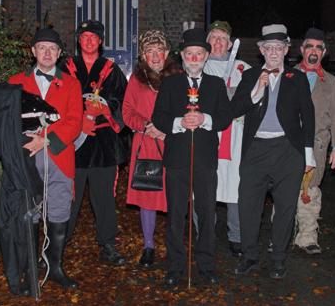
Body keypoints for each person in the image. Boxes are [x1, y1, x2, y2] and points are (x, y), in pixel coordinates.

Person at [231, 24, 315, 279]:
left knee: (286, 207)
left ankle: (278, 258)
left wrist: (307, 155)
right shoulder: (249, 76)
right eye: (269, 47)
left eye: (279, 47)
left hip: (288, 150)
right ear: (261, 50)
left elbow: (308, 117)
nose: (274, 52)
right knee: (248, 205)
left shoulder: (297, 78)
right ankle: (249, 257)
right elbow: (235, 109)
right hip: (256, 149)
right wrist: (256, 91)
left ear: (287, 50)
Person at [152, 28, 232, 286]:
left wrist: (205, 119)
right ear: (182, 56)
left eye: (199, 54)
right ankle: (175, 267)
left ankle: (207, 265)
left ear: (206, 56)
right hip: (176, 159)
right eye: (190, 54)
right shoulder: (170, 83)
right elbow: (159, 117)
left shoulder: (216, 85)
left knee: (207, 213)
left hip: (206, 160)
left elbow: (224, 117)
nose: (195, 58)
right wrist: (179, 122)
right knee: (176, 215)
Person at [8, 28, 83, 290]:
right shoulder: (15, 82)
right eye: (42, 47)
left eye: (52, 48)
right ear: (33, 51)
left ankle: (55, 266)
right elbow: (8, 121)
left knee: (59, 209)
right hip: (27, 158)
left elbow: (75, 122)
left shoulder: (72, 84)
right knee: (30, 213)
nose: (47, 53)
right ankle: (30, 269)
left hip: (59, 157)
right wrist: (29, 140)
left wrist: (47, 139)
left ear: (60, 53)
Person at [63, 20, 128, 266]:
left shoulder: (112, 69)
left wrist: (103, 109)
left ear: (101, 41)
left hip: (103, 144)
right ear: (78, 40)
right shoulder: (66, 66)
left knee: (104, 198)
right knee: (68, 196)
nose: (89, 40)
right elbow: (56, 101)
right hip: (73, 142)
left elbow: (123, 100)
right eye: (84, 36)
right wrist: (80, 119)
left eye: (93, 37)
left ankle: (108, 244)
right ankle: (59, 242)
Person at [122, 30, 181, 268]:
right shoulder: (137, 80)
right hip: (146, 142)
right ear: (143, 56)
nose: (155, 56)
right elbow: (127, 111)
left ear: (166, 53)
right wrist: (146, 125)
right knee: (148, 194)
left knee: (174, 194)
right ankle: (148, 245)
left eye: (159, 51)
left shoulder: (178, 77)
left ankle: (174, 245)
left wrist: (169, 128)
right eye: (150, 51)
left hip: (173, 141)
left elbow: (187, 106)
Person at [294, 27, 335, 254]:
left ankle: (307, 237)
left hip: (318, 144)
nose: (313, 51)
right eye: (309, 46)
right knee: (285, 188)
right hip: (289, 142)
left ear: (324, 52)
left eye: (318, 47)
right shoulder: (288, 75)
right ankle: (282, 234)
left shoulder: (331, 82)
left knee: (310, 190)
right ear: (301, 49)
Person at [204, 20, 251, 256]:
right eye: (213, 37)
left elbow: (253, 99)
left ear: (230, 43)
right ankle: (205, 233)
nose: (218, 43)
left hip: (235, 136)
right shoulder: (197, 65)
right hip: (207, 135)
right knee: (203, 184)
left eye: (223, 38)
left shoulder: (243, 68)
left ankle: (237, 236)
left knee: (235, 185)